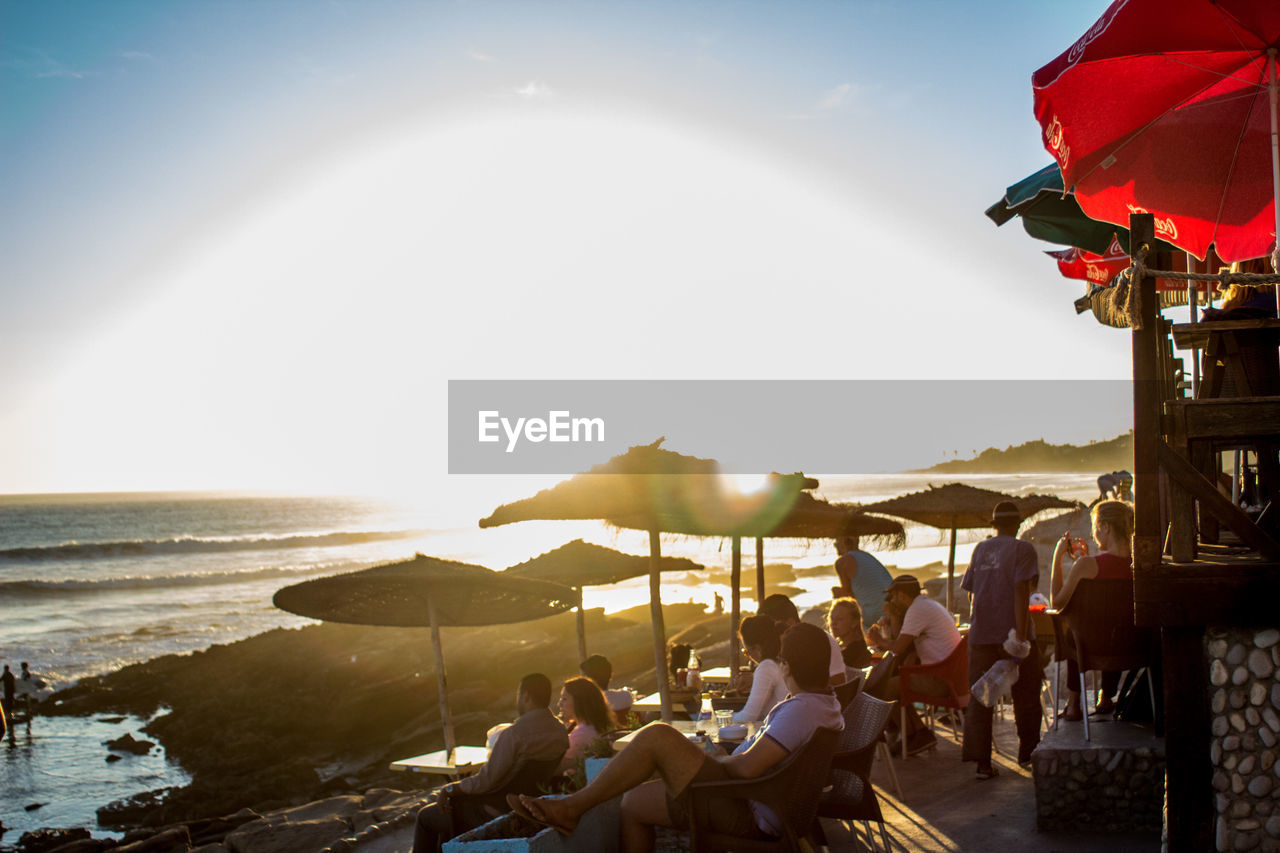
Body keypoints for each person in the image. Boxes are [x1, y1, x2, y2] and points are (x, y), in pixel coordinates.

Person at [509, 623, 843, 853]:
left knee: (658, 736)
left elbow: (746, 770)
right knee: (633, 803)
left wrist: (717, 759)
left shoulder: (802, 711)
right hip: (764, 801)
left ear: (786, 667)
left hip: (751, 807)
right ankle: (572, 806)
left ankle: (571, 807)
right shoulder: (824, 704)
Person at [412, 673, 569, 853]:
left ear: (525, 695)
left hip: (494, 810)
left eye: (518, 695)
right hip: (528, 807)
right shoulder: (560, 731)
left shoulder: (514, 734)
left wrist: (451, 788)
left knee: (425, 816)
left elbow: (487, 781)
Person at [961, 501, 1041, 777]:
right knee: (1027, 693)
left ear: (993, 526)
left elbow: (972, 593)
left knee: (981, 698)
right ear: (1018, 525)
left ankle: (982, 763)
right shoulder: (1023, 549)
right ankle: (1028, 754)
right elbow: (1022, 590)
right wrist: (1019, 636)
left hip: (980, 633)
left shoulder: (980, 549)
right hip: (1011, 633)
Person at [1050, 500, 1135, 720]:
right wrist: (1089, 559)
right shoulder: (1139, 563)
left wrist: (1057, 559)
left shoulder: (1087, 566)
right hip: (1133, 644)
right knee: (1115, 623)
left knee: (1075, 630)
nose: (1094, 533)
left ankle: (1073, 705)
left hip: (1090, 647)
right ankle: (1106, 697)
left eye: (1096, 527)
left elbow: (1057, 602)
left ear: (1106, 527)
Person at [868, 575, 962, 756]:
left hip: (940, 679)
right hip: (951, 675)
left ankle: (917, 734)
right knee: (895, 684)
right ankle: (916, 734)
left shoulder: (916, 610)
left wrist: (878, 640)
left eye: (894, 596)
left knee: (884, 689)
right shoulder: (927, 605)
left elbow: (898, 647)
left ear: (902, 595)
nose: (893, 601)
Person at [757, 594, 845, 686]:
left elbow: (838, 682)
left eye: (775, 629)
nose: (772, 635)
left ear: (790, 623)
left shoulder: (819, 641)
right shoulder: (790, 644)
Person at [733, 615, 789, 722]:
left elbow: (748, 717)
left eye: (746, 652)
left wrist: (719, 718)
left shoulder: (767, 666)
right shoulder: (781, 662)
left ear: (758, 648)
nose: (749, 657)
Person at [557, 676, 617, 776]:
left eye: (564, 699)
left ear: (579, 702)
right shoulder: (598, 724)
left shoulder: (582, 734)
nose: (559, 704)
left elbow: (556, 769)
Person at [831, 535, 893, 630]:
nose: (835, 546)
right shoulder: (866, 556)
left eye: (836, 543)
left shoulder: (842, 562)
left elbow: (848, 595)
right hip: (893, 609)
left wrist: (837, 592)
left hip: (875, 615)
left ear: (843, 543)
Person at [827, 598, 873, 669]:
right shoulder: (840, 648)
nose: (833, 623)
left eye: (839, 619)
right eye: (832, 618)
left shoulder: (853, 653)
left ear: (854, 623)